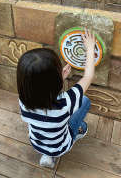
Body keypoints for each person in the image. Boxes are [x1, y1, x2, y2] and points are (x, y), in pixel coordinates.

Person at [17, 29, 95, 168]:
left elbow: (39, 89)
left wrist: (58, 79)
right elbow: (87, 77)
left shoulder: (24, 101)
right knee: (84, 101)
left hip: (38, 144)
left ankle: (48, 155)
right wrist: (90, 48)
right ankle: (77, 132)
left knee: (50, 128)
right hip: (61, 146)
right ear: (55, 82)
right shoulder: (65, 103)